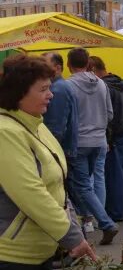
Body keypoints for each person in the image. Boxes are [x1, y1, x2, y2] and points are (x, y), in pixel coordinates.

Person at [0, 55, 96, 270]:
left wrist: (70, 227)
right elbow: (31, 192)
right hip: (13, 256)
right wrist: (70, 235)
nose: (50, 94)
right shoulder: (6, 131)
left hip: (38, 251)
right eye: (43, 89)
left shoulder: (34, 125)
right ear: (19, 92)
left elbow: (56, 185)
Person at [64, 48, 117, 245]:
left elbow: (67, 116)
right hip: (100, 140)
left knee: (82, 185)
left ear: (69, 64)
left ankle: (104, 222)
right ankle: (97, 218)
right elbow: (110, 114)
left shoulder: (68, 86)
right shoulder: (102, 84)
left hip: (79, 142)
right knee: (98, 179)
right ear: (88, 63)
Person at [90, 57, 123, 223]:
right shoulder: (120, 83)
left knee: (114, 174)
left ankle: (116, 212)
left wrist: (108, 139)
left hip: (116, 133)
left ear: (95, 69)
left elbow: (109, 116)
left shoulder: (105, 87)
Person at [41, 53, 79, 213]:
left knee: (67, 194)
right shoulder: (61, 86)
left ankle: (83, 228)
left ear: (57, 67)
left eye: (45, 63)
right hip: (66, 147)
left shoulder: (58, 89)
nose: (41, 67)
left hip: (61, 150)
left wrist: (48, 151)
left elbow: (56, 127)